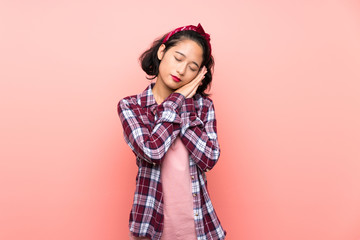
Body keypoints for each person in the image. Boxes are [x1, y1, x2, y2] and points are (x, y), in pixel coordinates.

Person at [117, 23, 226, 240]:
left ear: (199, 75)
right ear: (162, 51)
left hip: (200, 227)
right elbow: (152, 151)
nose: (181, 70)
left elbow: (210, 158)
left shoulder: (203, 107)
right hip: (150, 224)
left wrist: (183, 104)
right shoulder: (131, 106)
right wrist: (177, 99)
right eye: (178, 58)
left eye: (193, 67)